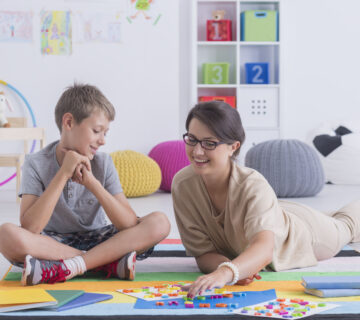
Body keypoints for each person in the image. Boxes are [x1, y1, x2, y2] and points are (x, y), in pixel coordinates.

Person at [171, 100, 360, 298]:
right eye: (192, 139)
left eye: (209, 143)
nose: (197, 151)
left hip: (302, 235)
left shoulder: (252, 185)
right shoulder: (183, 184)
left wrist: (227, 272)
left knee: (347, 224)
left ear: (233, 147)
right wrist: (232, 269)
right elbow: (203, 254)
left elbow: (263, 248)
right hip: (276, 213)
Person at [0, 84, 170, 286]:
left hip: (101, 239)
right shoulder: (35, 163)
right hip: (52, 243)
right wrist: (63, 174)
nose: (103, 140)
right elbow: (30, 227)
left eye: (105, 133)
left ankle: (70, 265)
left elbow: (128, 224)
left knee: (160, 222)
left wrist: (92, 183)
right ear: (69, 122)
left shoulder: (103, 162)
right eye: (97, 131)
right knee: (6, 234)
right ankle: (103, 263)